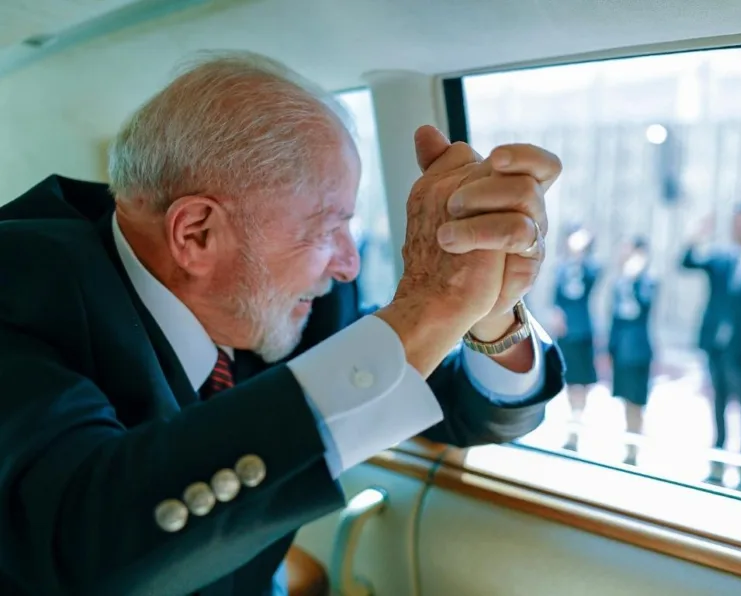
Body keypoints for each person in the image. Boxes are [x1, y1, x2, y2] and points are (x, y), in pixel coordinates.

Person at [0, 52, 566, 596]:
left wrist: (488, 310)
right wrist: (430, 306)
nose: (349, 267)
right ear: (197, 233)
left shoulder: (302, 302)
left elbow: (461, 412)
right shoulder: (17, 291)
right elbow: (83, 544)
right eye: (328, 228)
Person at [680, 204, 741, 486]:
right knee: (718, 405)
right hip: (716, 345)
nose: (740, 228)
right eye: (736, 223)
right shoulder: (720, 258)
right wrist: (696, 235)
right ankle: (717, 464)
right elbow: (686, 263)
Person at [608, 237, 658, 466]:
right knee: (625, 399)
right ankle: (628, 442)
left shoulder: (648, 282)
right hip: (621, 350)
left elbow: (644, 306)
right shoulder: (620, 283)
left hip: (639, 350)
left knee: (637, 400)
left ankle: (634, 447)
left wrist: (635, 279)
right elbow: (615, 319)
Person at [552, 226, 601, 452]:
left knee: (583, 381)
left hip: (583, 332)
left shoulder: (589, 268)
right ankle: (571, 425)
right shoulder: (561, 268)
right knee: (569, 381)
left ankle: (577, 423)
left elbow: (592, 278)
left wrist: (581, 255)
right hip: (566, 333)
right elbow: (557, 298)